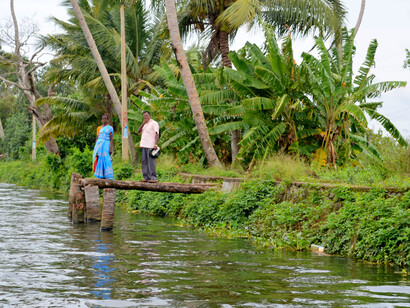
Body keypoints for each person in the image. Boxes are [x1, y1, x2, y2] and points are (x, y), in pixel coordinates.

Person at [138, 111, 159, 182]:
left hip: (151, 145)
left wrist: (155, 144)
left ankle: (153, 178)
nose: (145, 117)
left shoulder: (154, 123)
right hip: (144, 145)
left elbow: (157, 134)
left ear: (150, 116)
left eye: (146, 115)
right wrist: (143, 123)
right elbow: (138, 131)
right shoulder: (145, 124)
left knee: (151, 162)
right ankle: (146, 177)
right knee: (144, 162)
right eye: (144, 116)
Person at [93, 114, 114, 180]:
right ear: (101, 120)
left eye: (105, 118)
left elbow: (111, 139)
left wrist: (111, 148)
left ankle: (109, 175)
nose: (104, 120)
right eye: (103, 119)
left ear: (108, 120)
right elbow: (97, 138)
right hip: (99, 145)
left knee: (107, 158)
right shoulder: (99, 128)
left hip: (106, 144)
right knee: (100, 159)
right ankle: (100, 175)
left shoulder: (110, 128)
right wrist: (96, 148)